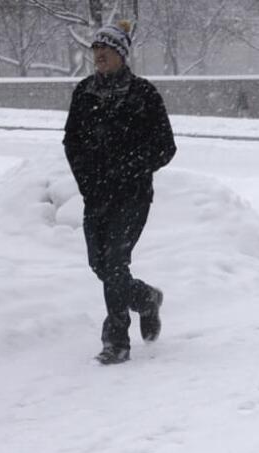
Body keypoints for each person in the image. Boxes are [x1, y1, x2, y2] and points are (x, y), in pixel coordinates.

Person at [63, 20, 176, 365]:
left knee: (114, 263)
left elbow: (166, 147)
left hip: (132, 196)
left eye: (106, 50)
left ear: (121, 55)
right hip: (96, 196)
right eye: (96, 50)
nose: (99, 55)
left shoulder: (143, 95)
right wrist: (88, 181)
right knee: (99, 264)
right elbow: (72, 142)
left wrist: (131, 169)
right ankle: (144, 299)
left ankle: (116, 340)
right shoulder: (84, 93)